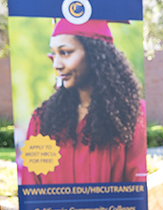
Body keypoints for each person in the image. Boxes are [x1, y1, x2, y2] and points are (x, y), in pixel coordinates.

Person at [17, 19, 147, 185]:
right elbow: (31, 183)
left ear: (95, 54)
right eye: (54, 54)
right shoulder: (42, 119)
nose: (56, 64)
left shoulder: (131, 113)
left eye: (65, 52)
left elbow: (136, 182)